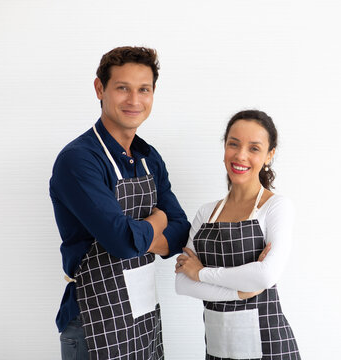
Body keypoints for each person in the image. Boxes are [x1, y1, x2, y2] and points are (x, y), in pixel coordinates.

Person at [50, 46, 190, 360]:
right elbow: (123, 242)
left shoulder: (149, 158)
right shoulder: (79, 160)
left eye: (144, 90)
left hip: (144, 314)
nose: (134, 100)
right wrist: (157, 221)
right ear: (100, 88)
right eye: (122, 88)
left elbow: (181, 230)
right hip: (94, 320)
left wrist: (139, 236)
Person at [175, 110, 301, 359]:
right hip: (218, 349)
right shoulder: (206, 212)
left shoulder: (276, 207)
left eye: (254, 148)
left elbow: (264, 276)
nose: (241, 155)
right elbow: (182, 284)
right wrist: (241, 291)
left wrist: (200, 273)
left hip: (269, 346)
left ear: (269, 155)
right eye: (234, 144)